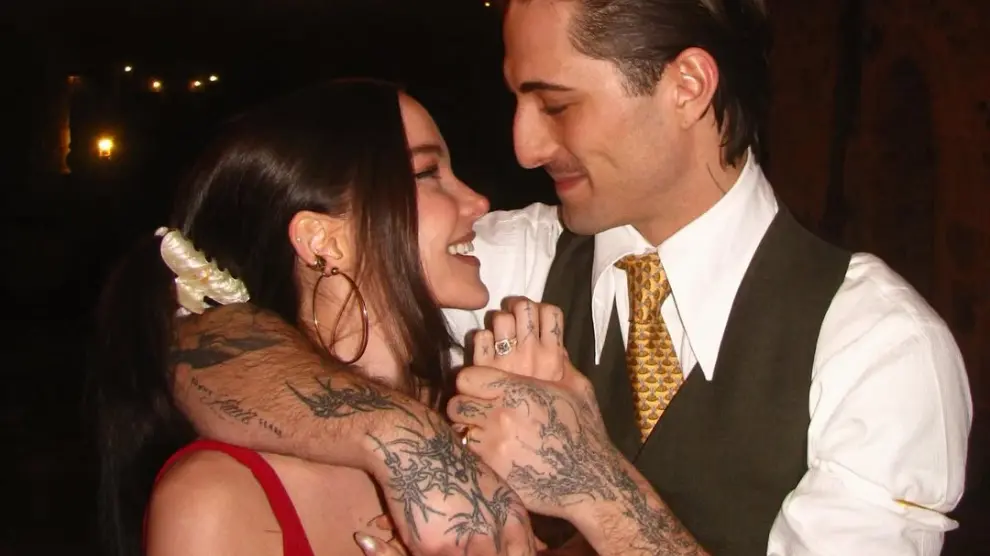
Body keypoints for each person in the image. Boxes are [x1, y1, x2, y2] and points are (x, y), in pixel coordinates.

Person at [164, 1, 973, 555]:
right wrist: (404, 441)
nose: (522, 145)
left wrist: (598, 490)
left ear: (687, 87)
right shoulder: (508, 262)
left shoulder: (880, 349)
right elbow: (216, 330)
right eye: (519, 100)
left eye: (555, 104)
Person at [90, 79, 536, 556]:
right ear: (324, 241)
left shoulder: (486, 434)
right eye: (427, 173)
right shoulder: (219, 499)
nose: (477, 202)